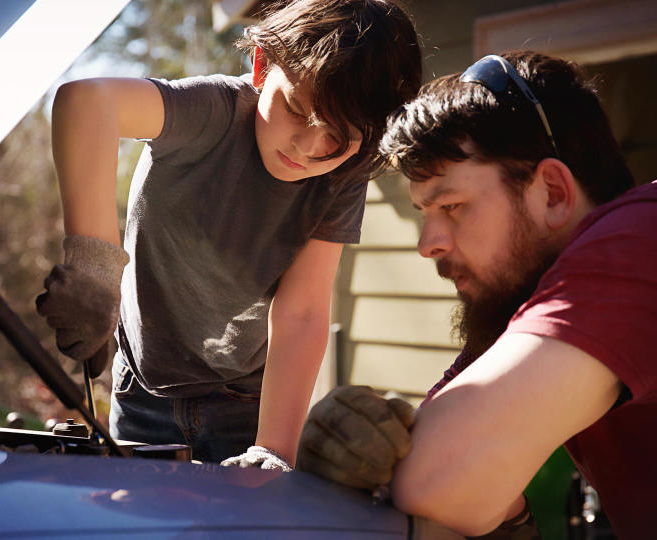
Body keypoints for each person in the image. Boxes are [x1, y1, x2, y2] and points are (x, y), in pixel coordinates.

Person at [297, 50, 657, 539]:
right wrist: (356, 443)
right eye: (426, 213)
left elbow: (434, 476)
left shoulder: (656, 236)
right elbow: (436, 479)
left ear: (552, 192)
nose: (428, 244)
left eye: (452, 205)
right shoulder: (524, 297)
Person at [35, 0, 422, 467]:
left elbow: (300, 313)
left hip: (249, 407)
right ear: (261, 66)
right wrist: (95, 268)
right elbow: (86, 102)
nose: (309, 148)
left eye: (340, 138)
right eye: (297, 109)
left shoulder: (343, 176)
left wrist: (273, 449)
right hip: (142, 396)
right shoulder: (209, 113)